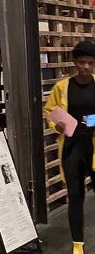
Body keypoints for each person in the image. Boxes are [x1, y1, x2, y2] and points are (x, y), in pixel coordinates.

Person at [45, 40, 95, 254]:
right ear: (75, 62)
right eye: (82, 62)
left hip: (94, 147)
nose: (86, 67)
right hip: (71, 148)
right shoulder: (62, 87)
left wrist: (91, 121)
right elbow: (50, 112)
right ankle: (77, 245)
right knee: (75, 197)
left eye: (91, 63)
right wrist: (56, 124)